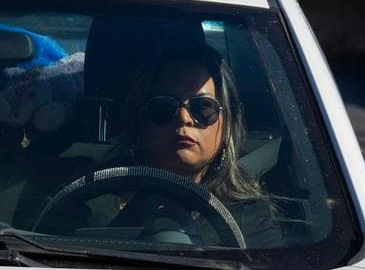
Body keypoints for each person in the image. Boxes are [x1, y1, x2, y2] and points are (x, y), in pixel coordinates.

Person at [106, 43, 283, 248]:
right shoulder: (89, 201)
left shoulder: (249, 217)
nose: (184, 118)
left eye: (203, 107)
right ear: (140, 119)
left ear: (227, 124)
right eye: (164, 105)